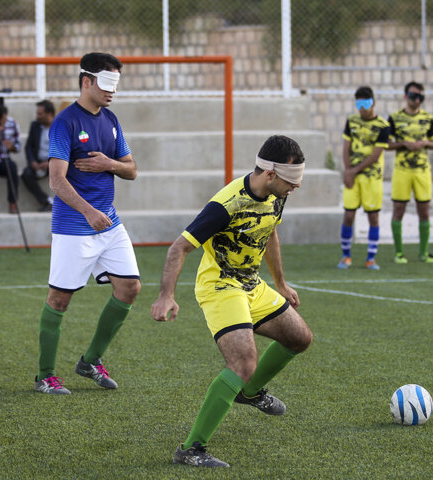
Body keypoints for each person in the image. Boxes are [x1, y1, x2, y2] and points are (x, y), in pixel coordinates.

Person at [151, 135, 313, 468]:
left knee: (300, 338)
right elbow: (178, 248)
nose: (295, 187)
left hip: (251, 284)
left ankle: (249, 392)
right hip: (220, 286)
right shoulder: (226, 204)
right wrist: (166, 295)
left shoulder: (276, 195)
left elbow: (270, 232)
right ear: (269, 172)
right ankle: (191, 449)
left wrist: (280, 283)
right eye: (290, 180)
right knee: (242, 362)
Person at [33, 52, 141, 395]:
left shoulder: (111, 120)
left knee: (130, 288)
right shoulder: (64, 122)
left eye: (116, 84)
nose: (112, 91)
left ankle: (90, 361)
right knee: (59, 299)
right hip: (73, 226)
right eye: (107, 83)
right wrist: (87, 212)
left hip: (108, 223)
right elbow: (56, 181)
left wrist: (109, 163)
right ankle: (44, 376)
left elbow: (132, 169)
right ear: (86, 81)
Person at [337, 86, 390, 271]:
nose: (362, 108)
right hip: (353, 176)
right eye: (359, 103)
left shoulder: (383, 126)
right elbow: (346, 148)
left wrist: (354, 170)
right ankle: (346, 256)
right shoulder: (351, 122)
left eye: (366, 103)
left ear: (373, 102)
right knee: (349, 215)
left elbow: (376, 155)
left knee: (373, 217)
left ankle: (371, 258)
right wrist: (347, 171)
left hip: (372, 178)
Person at [387, 81, 433, 263]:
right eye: (413, 96)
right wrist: (403, 144)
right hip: (402, 170)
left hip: (422, 171)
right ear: (405, 96)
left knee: (424, 211)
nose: (417, 100)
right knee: (399, 209)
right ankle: (399, 253)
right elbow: (385, 143)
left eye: (421, 97)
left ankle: (423, 253)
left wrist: (423, 143)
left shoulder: (427, 118)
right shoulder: (394, 118)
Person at [21, 99, 55, 212]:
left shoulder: (60, 126)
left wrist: (50, 163)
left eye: (40, 114)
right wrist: (33, 162)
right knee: (26, 174)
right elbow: (29, 147)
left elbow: (66, 149)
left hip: (55, 164)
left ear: (49, 114)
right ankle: (46, 201)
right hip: (38, 163)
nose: (37, 116)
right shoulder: (35, 126)